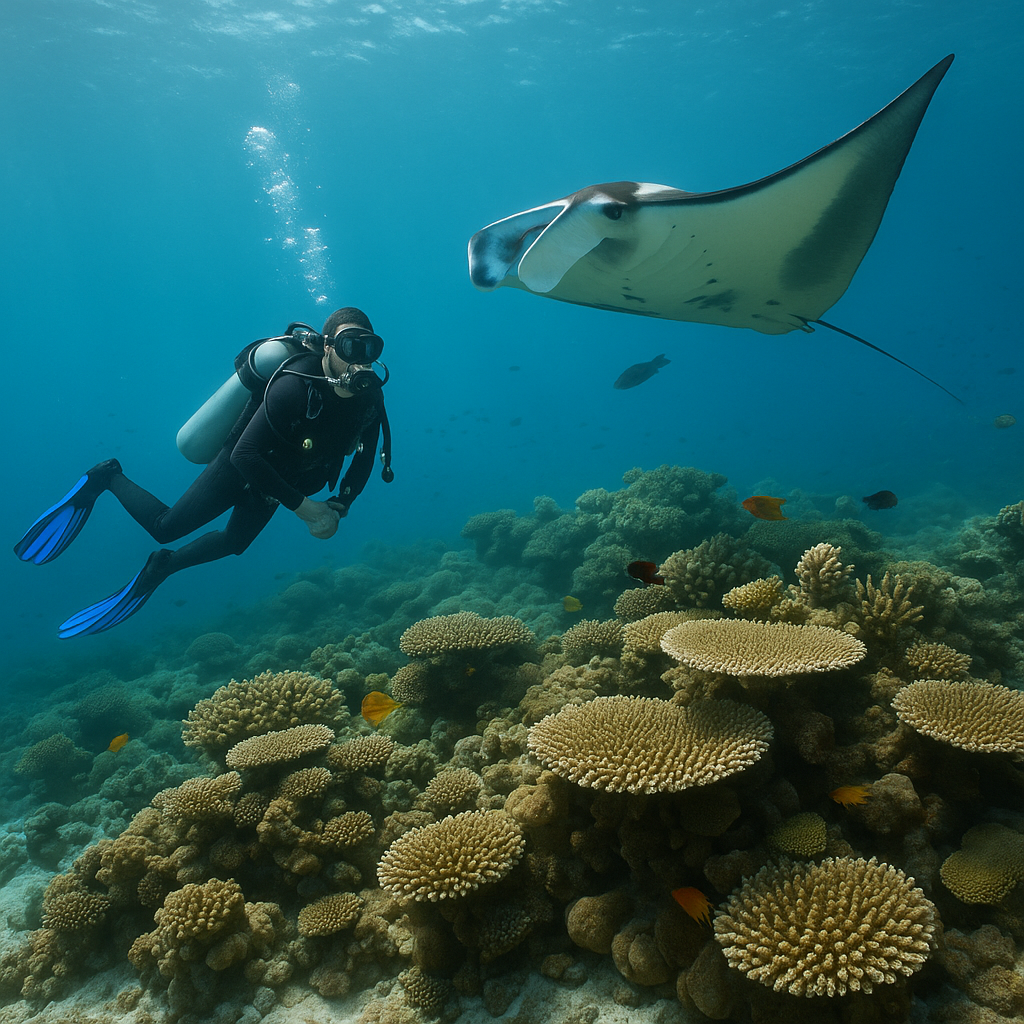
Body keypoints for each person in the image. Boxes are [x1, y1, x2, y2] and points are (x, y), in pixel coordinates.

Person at [14, 307, 393, 637]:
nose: (360, 361)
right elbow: (246, 454)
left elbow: (365, 457)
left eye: (369, 349)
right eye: (349, 347)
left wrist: (342, 502)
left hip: (281, 480)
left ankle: (162, 566)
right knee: (166, 527)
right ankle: (106, 476)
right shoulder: (294, 384)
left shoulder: (370, 397)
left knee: (234, 543)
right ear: (327, 346)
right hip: (242, 463)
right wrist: (304, 508)